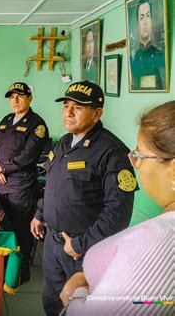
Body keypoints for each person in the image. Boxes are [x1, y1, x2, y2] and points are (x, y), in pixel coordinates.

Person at [30, 81, 137, 316]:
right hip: (53, 242)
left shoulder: (113, 152)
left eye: (77, 107)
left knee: (82, 307)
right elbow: (53, 184)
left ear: (97, 113)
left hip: (84, 250)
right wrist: (40, 214)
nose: (68, 112)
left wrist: (79, 245)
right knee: (52, 300)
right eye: (66, 105)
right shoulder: (65, 142)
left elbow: (118, 214)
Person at [60, 101, 175, 315]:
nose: (135, 164)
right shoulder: (66, 142)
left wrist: (79, 295)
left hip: (79, 246)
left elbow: (139, 305)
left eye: (139, 156)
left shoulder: (154, 243)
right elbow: (159, 302)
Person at [0, 81, 48, 283]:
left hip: (21, 189)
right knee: (2, 226)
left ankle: (21, 274)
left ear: (30, 98)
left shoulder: (37, 125)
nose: (15, 100)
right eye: (12, 96)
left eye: (20, 96)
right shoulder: (6, 120)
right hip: (1, 186)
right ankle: (4, 267)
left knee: (20, 232)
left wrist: (2, 168)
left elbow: (27, 157)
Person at [130, 0, 165, 90]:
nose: (145, 22)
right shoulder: (133, 58)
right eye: (141, 18)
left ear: (152, 21)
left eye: (148, 16)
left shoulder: (160, 54)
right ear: (138, 24)